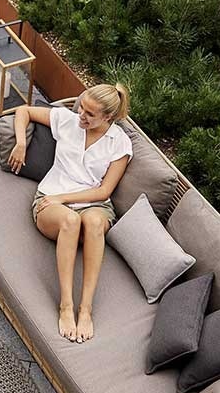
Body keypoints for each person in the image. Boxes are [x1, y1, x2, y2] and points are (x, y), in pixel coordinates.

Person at [8, 84, 132, 344]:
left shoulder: (119, 142)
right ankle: (66, 305)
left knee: (94, 222)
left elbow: (104, 191)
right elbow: (23, 111)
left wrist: (63, 198)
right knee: (70, 220)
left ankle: (85, 309)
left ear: (108, 117)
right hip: (52, 199)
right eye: (82, 107)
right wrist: (20, 143)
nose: (81, 116)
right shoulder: (67, 120)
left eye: (90, 114)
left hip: (91, 202)